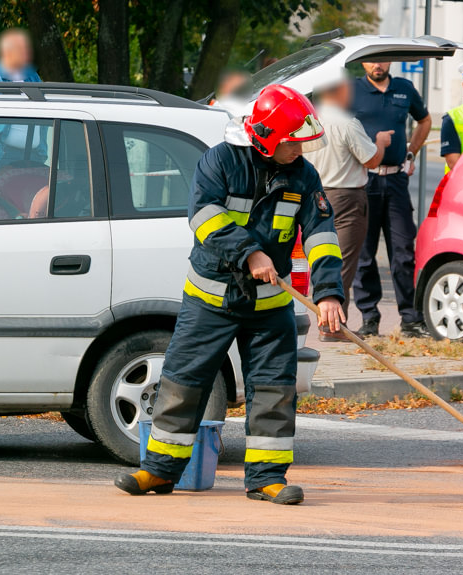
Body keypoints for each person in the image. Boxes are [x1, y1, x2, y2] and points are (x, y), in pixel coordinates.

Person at [115, 85, 345, 505]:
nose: (299, 150)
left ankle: (266, 480)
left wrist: (330, 293)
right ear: (268, 138)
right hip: (211, 299)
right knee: (183, 383)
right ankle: (159, 472)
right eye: (293, 142)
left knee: (275, 390)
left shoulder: (304, 176)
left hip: (270, 306)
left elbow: (322, 236)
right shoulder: (219, 161)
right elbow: (203, 217)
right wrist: (250, 252)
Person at [304, 77, 392, 342]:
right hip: (347, 198)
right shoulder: (347, 123)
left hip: (315, 195)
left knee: (322, 257)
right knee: (342, 262)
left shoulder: (310, 121)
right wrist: (381, 143)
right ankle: (332, 326)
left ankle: (330, 323)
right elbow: (371, 159)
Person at [351, 61, 431, 338]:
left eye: (383, 59)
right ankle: (369, 318)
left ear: (390, 62)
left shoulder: (404, 88)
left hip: (396, 180)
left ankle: (410, 319)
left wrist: (412, 152)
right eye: (373, 60)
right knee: (364, 253)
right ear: (364, 63)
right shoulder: (351, 90)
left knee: (404, 252)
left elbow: (425, 120)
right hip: (364, 180)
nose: (378, 64)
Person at [0, 29, 44, 172]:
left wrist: (42, 150)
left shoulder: (32, 76)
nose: (27, 53)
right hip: (2, 157)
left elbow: (44, 115)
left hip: (34, 156)